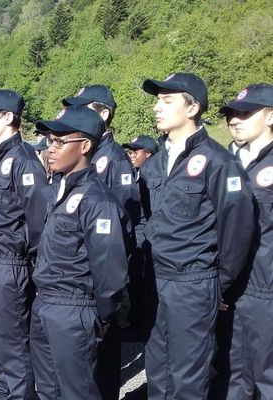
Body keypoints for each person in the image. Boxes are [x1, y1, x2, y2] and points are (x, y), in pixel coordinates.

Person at [140, 73, 255, 399]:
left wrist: (221, 282)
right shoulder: (158, 162)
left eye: (167, 100)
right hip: (159, 278)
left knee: (188, 376)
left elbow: (237, 227)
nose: (156, 107)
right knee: (158, 367)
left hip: (194, 281)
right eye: (157, 100)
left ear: (192, 108)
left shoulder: (217, 161)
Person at [30, 105, 130, 400]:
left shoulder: (97, 200)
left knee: (77, 392)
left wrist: (103, 315)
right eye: (50, 141)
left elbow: (109, 266)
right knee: (48, 389)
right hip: (46, 302)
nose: (51, 148)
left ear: (85, 146)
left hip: (74, 309)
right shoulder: (60, 189)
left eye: (60, 142)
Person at [0, 89, 48, 400]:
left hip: (9, 263)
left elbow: (39, 222)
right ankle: (3, 392)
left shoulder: (24, 160)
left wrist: (25, 260)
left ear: (8, 117)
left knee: (13, 344)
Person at [212, 83, 273, 400]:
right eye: (231, 114)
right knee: (231, 376)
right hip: (231, 291)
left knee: (268, 379)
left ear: (270, 115)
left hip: (267, 291)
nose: (235, 120)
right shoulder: (226, 164)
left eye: (246, 113)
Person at [121, 135, 159, 340]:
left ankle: (143, 326)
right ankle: (136, 321)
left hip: (145, 235)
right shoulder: (137, 173)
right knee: (134, 282)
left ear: (149, 154)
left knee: (142, 283)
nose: (131, 155)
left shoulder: (151, 176)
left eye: (136, 152)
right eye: (130, 151)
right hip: (136, 234)